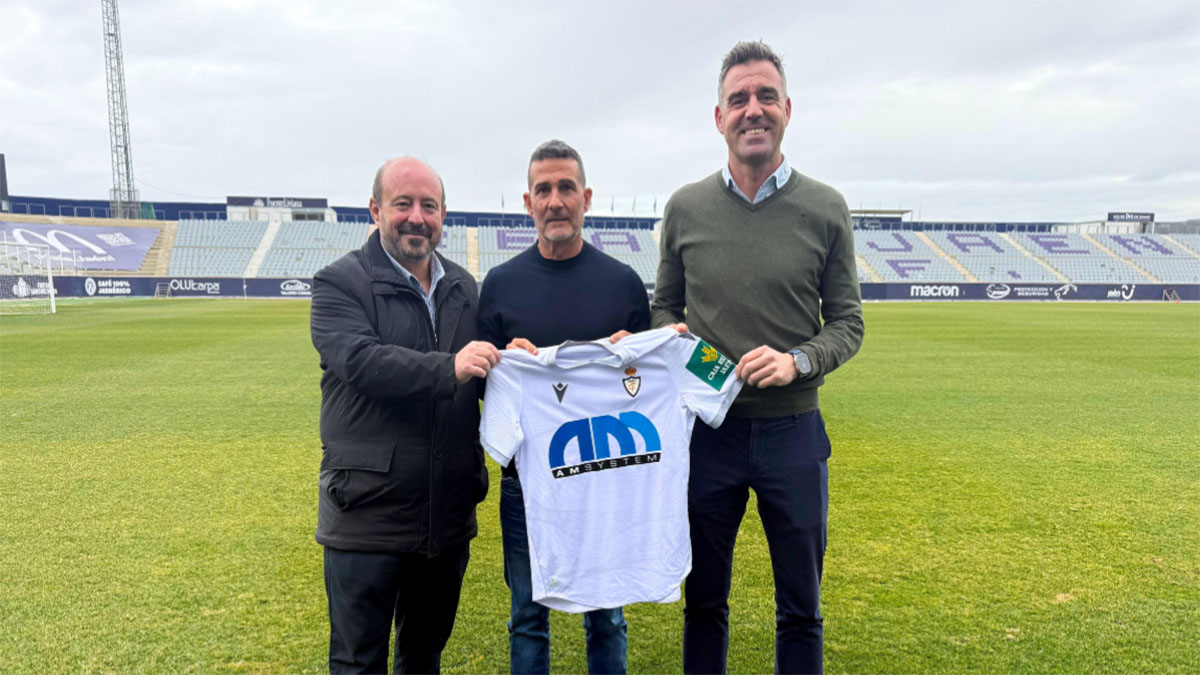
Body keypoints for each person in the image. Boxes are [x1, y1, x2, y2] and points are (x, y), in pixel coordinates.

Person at [646, 41, 864, 674]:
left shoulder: (825, 208)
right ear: (718, 118)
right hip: (707, 436)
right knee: (704, 602)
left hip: (794, 434)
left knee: (801, 607)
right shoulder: (685, 208)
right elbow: (663, 311)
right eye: (738, 98)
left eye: (766, 95)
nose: (753, 110)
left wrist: (799, 360)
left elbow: (848, 323)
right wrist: (693, 356)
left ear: (788, 110)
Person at [310, 157, 501, 674]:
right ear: (376, 210)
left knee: (423, 658)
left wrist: (518, 361)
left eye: (429, 206)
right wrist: (453, 367)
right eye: (403, 204)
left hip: (446, 517)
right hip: (367, 514)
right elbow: (362, 362)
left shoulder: (463, 286)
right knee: (357, 663)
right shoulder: (339, 284)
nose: (417, 217)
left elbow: (481, 375)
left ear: (443, 215)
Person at [477, 139, 649, 674]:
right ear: (528, 203)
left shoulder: (622, 283)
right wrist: (507, 366)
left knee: (607, 617)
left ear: (586, 197)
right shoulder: (500, 285)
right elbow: (483, 386)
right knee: (528, 615)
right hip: (526, 483)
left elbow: (644, 390)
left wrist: (632, 363)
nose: (556, 201)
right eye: (544, 190)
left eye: (566, 188)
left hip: (603, 476)